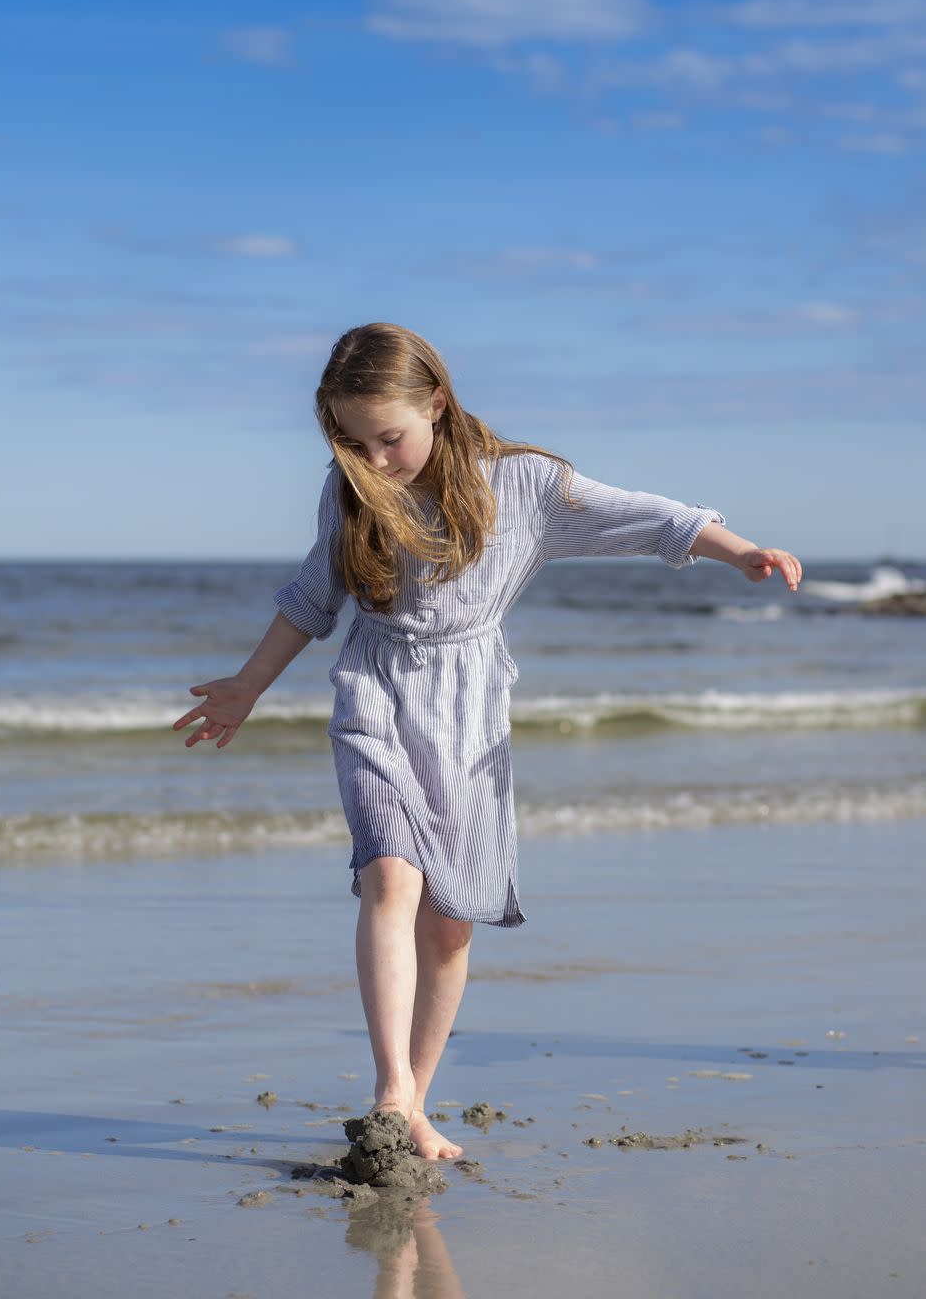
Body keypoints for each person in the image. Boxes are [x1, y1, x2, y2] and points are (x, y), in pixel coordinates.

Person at [173, 322, 802, 1161]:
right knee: (389, 876)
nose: (375, 459)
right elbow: (311, 599)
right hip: (376, 694)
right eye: (352, 442)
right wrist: (247, 686)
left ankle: (417, 1104)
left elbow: (647, 520)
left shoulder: (524, 484)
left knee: (449, 925)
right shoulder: (351, 488)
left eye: (387, 437)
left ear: (435, 400)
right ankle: (390, 1092)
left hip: (469, 716)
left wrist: (737, 550)